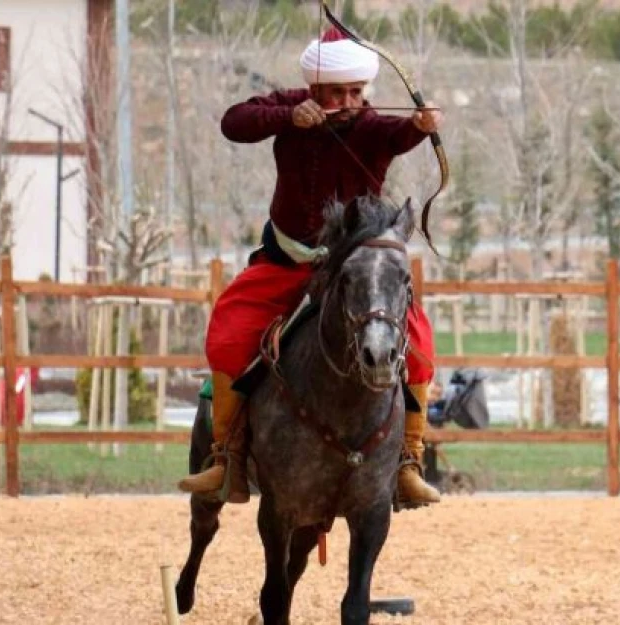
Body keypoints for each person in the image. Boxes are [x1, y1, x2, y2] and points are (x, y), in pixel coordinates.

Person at [177, 26, 443, 507]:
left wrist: (421, 126)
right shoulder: (293, 108)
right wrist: (289, 116)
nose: (348, 100)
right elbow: (234, 122)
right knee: (229, 330)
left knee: (419, 344)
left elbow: (399, 134)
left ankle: (408, 461)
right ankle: (226, 458)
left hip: (353, 272)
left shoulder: (372, 125)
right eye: (336, 92)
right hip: (286, 262)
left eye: (356, 92)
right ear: (315, 89)